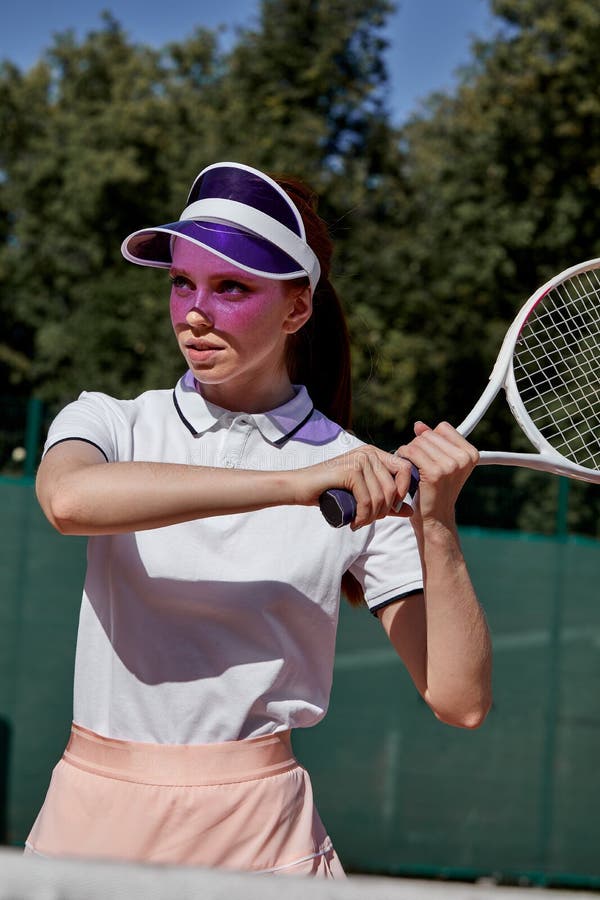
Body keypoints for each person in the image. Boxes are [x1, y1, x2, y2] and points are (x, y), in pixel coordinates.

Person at [26, 162, 492, 876]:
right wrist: (292, 483)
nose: (194, 312)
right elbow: (68, 502)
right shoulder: (108, 421)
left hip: (260, 840)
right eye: (182, 281)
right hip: (88, 819)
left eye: (231, 286)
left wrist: (436, 524)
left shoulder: (356, 473)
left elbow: (458, 698)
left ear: (296, 309)